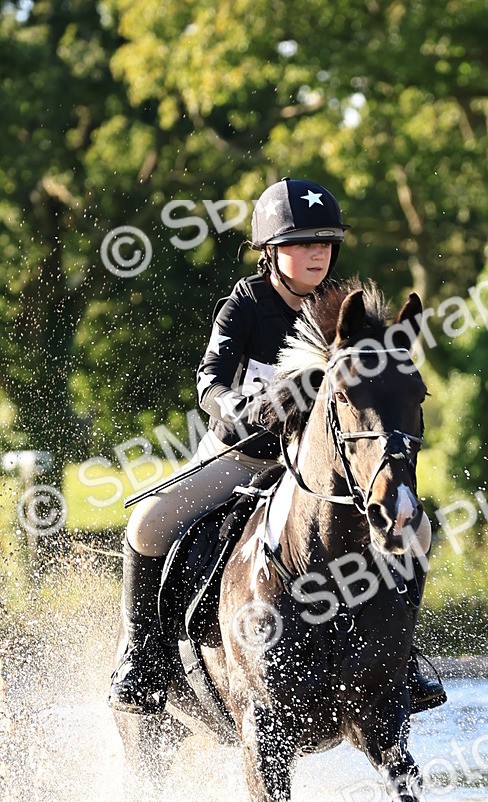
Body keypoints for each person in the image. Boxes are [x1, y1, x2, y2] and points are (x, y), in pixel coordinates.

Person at [108, 176, 446, 716]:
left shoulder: (345, 313)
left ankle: (402, 659)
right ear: (271, 250)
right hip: (242, 454)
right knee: (146, 521)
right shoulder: (246, 303)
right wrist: (242, 409)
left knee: (419, 529)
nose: (318, 254)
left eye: (325, 244)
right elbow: (209, 380)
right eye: (303, 244)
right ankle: (141, 653)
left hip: (321, 470)